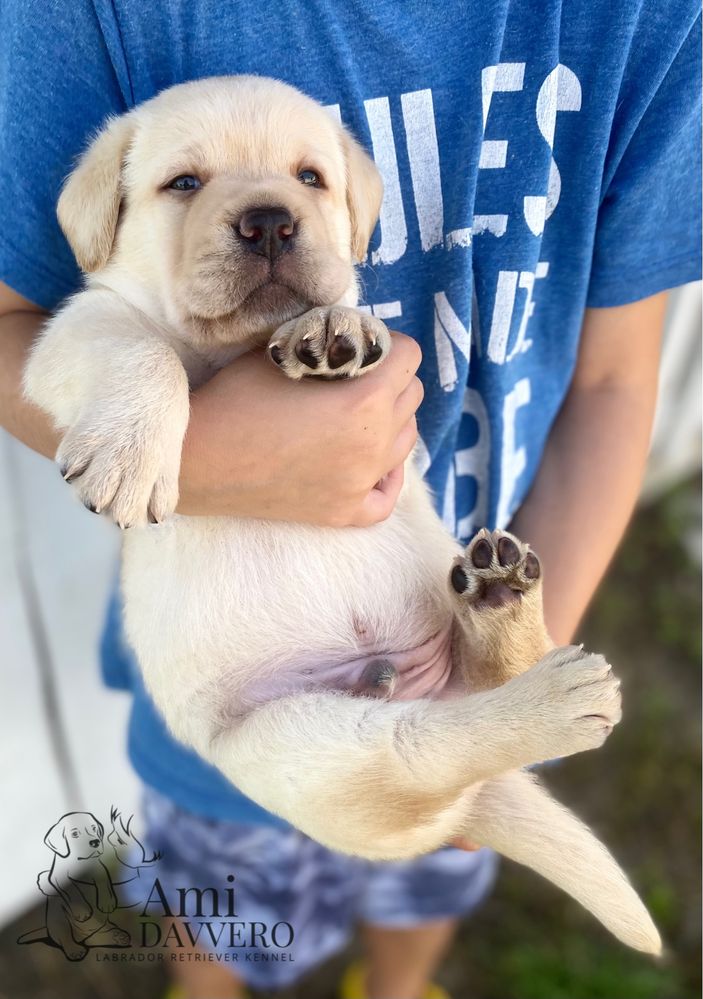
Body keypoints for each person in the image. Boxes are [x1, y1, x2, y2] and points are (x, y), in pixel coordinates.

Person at [0, 3, 700, 998]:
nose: (263, 215)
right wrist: (153, 399)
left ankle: (406, 966)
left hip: (439, 660)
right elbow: (60, 342)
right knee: (226, 907)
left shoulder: (647, 25)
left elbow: (612, 386)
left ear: (353, 208)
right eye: (187, 182)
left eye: (307, 181)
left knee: (428, 882)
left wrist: (501, 680)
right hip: (243, 713)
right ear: (103, 214)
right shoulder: (121, 305)